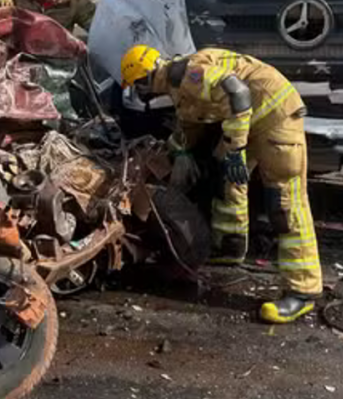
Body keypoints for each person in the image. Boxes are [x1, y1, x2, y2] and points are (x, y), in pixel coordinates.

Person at [120, 44, 322, 323]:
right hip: (251, 120)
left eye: (138, 87)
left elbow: (236, 92)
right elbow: (189, 124)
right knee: (225, 177)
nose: (142, 94)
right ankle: (230, 247)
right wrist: (171, 154)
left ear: (144, 78)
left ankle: (302, 291)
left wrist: (236, 150)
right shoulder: (178, 87)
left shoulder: (189, 74)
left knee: (284, 203)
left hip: (275, 117)